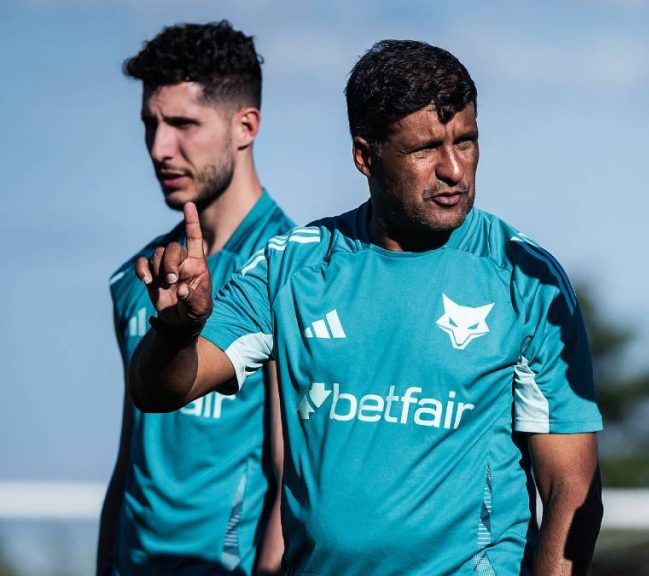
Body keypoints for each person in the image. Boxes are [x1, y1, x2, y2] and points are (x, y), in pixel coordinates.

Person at [127, 39, 604, 575]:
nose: (453, 168)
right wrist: (175, 332)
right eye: (425, 149)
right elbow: (161, 390)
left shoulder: (525, 277)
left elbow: (571, 488)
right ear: (364, 155)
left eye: (466, 141)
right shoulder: (293, 267)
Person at [98, 21, 294, 575]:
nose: (161, 148)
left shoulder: (293, 272)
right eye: (150, 124)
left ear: (245, 126)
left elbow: (290, 476)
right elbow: (129, 461)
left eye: (183, 124)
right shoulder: (135, 279)